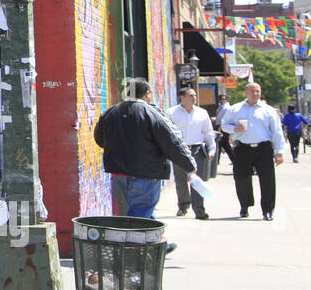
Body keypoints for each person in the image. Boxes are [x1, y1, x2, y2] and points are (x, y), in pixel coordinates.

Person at [94, 78, 198, 254]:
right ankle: (132, 250)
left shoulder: (110, 112)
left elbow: (99, 138)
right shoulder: (151, 112)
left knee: (141, 210)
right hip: (146, 172)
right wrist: (189, 165)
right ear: (147, 94)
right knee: (140, 212)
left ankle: (156, 244)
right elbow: (171, 141)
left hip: (119, 172)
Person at [219, 82, 286, 220]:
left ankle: (268, 210)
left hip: (264, 148)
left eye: (258, 91)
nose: (255, 94)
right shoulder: (235, 109)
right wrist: (234, 129)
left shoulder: (268, 110)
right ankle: (245, 205)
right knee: (241, 178)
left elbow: (277, 131)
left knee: (268, 180)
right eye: (252, 91)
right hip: (243, 147)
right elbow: (224, 125)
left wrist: (279, 152)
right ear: (246, 92)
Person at [167, 87, 215, 220]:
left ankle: (199, 210)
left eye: (194, 95)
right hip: (179, 150)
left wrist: (212, 149)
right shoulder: (171, 113)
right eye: (190, 95)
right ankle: (183, 206)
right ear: (182, 97)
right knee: (181, 179)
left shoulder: (202, 113)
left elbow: (208, 133)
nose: (194, 98)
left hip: (197, 149)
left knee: (197, 180)